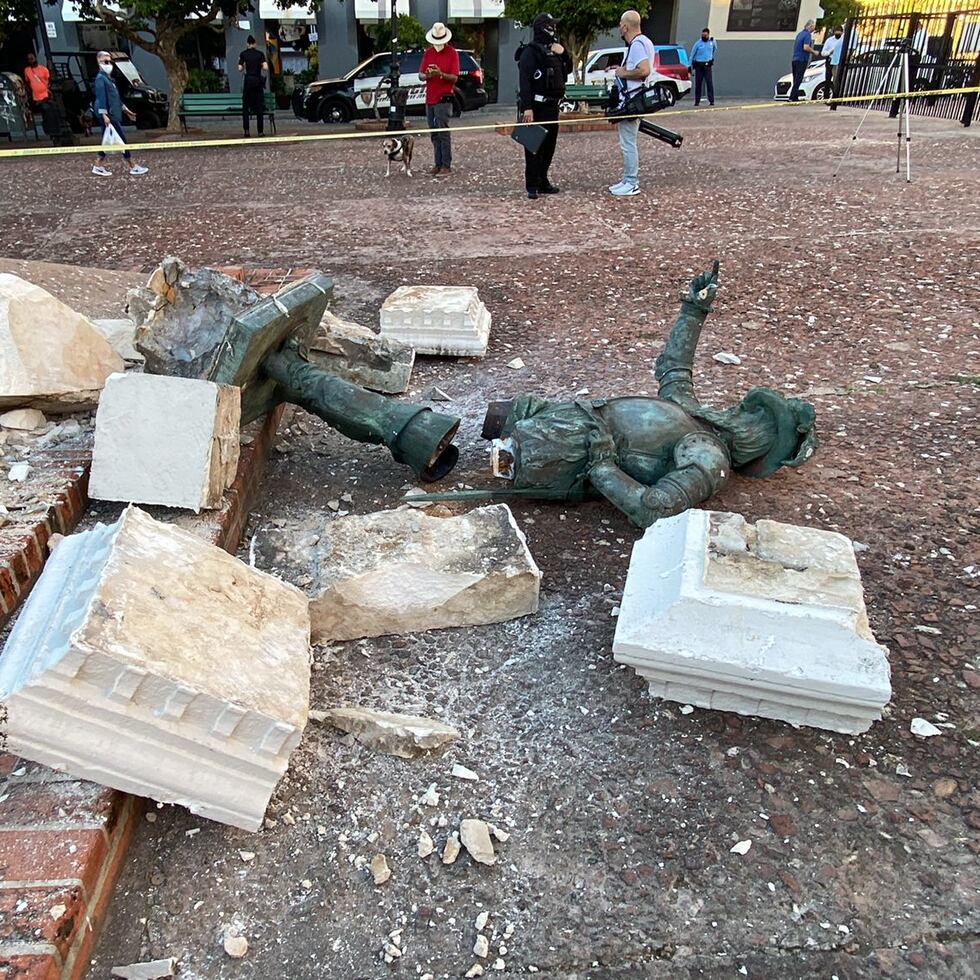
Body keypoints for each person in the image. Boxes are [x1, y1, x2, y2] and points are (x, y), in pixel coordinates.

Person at [517, 12, 571, 200]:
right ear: (542, 28)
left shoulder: (554, 50)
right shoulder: (531, 52)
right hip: (537, 107)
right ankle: (532, 184)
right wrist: (527, 107)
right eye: (550, 26)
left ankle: (543, 181)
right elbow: (524, 82)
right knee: (533, 147)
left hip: (552, 106)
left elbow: (568, 69)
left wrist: (563, 53)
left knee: (549, 147)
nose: (554, 30)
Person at [608, 9, 655, 198]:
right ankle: (627, 180)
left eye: (621, 24)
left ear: (626, 26)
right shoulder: (645, 42)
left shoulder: (637, 45)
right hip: (635, 99)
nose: (620, 27)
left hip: (632, 100)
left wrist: (622, 73)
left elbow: (643, 70)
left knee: (628, 143)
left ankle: (631, 181)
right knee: (628, 142)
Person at [91, 51, 147, 177]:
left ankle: (98, 164)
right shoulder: (101, 79)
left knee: (109, 139)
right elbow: (101, 98)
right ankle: (132, 165)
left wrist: (125, 109)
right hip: (107, 113)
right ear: (99, 62)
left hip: (110, 112)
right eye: (106, 61)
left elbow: (114, 98)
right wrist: (104, 114)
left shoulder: (108, 79)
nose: (109, 64)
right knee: (119, 138)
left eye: (110, 61)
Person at [419, 22, 459, 177]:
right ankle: (438, 163)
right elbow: (421, 74)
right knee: (434, 132)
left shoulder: (452, 53)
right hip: (430, 98)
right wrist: (428, 75)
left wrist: (441, 74)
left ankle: (446, 165)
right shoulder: (428, 53)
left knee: (443, 132)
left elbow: (454, 77)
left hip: (443, 98)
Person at [238, 35, 268, 138]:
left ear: (247, 44)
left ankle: (246, 131)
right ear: (254, 44)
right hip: (257, 81)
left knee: (245, 107)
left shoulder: (243, 54)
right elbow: (265, 67)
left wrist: (246, 65)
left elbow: (240, 68)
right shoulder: (260, 54)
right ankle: (260, 131)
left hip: (248, 81)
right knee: (259, 107)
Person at [789, 18, 818, 101]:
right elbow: (806, 47)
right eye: (813, 27)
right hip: (802, 59)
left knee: (795, 78)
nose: (814, 29)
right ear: (810, 26)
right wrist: (814, 52)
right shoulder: (807, 35)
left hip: (795, 59)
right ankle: (792, 97)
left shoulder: (799, 34)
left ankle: (795, 97)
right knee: (799, 78)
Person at [689, 27, 717, 106]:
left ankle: (711, 100)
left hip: (707, 65)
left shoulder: (712, 42)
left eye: (705, 35)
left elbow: (714, 49)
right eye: (702, 35)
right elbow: (692, 55)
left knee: (709, 83)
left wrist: (710, 57)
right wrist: (689, 66)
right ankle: (697, 101)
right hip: (699, 66)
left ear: (708, 35)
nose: (703, 36)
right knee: (698, 84)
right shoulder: (698, 43)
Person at [821, 25, 844, 95]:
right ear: (834, 32)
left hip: (838, 61)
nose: (838, 34)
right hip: (830, 60)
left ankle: (835, 95)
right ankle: (826, 96)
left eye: (839, 33)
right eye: (837, 33)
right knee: (828, 79)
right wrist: (830, 52)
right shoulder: (829, 40)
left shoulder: (843, 40)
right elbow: (823, 53)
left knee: (836, 80)